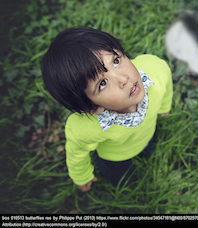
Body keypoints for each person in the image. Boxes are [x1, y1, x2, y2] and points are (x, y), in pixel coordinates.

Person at [41, 27, 173, 192]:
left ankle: (146, 149)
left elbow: (166, 83)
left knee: (150, 149)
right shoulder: (85, 129)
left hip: (146, 134)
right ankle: (124, 187)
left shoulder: (155, 70)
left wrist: (164, 106)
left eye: (116, 61)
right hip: (115, 157)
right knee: (123, 181)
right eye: (102, 83)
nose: (123, 78)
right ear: (92, 107)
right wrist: (81, 175)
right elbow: (77, 152)